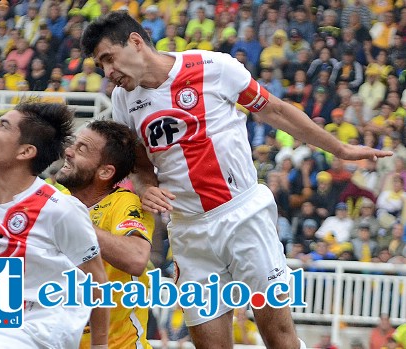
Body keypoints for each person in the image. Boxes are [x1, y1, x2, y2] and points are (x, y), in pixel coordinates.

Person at [80, 12, 392, 349]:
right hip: (189, 231)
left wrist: (340, 148)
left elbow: (275, 110)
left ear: (136, 42)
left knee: (279, 338)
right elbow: (141, 166)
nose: (108, 72)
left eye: (109, 59)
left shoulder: (213, 67)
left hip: (243, 215)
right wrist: (145, 189)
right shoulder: (122, 101)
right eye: (101, 65)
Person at [0, 102, 109, 349]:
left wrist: (100, 346)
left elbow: (96, 278)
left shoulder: (59, 207)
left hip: (44, 325)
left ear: (25, 152)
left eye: (3, 125)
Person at [56, 120, 155, 349]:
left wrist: (74, 221)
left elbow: (136, 258)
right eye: (73, 144)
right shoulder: (56, 198)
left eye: (82, 149)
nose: (68, 152)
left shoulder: (124, 202)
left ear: (105, 171)